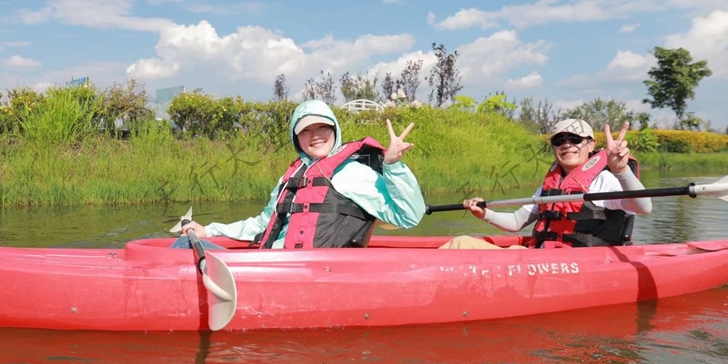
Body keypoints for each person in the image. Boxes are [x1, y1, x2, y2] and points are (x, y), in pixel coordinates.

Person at [172, 99, 425, 249]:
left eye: (322, 127)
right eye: (306, 130)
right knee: (187, 244)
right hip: (279, 263)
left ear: (334, 129)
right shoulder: (291, 177)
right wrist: (210, 230)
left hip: (315, 272)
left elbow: (408, 216)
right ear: (297, 137)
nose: (315, 136)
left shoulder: (351, 174)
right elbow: (262, 225)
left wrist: (393, 166)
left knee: (183, 247)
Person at [442, 119, 652, 249]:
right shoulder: (550, 185)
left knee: (463, 243)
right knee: (462, 242)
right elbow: (516, 222)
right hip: (543, 259)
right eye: (559, 141)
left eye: (575, 139)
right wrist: (484, 214)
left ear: (591, 144)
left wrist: (621, 170)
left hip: (583, 263)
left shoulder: (605, 180)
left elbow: (643, 208)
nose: (567, 145)